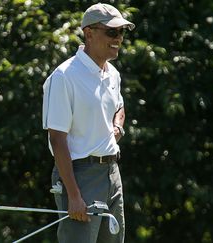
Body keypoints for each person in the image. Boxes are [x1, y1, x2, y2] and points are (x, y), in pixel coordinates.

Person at [42, 3, 134, 243]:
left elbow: (119, 107)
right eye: (112, 32)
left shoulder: (112, 73)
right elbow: (57, 138)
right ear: (89, 33)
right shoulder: (64, 77)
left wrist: (117, 127)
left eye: (121, 33)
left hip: (112, 174)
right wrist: (73, 195)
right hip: (80, 176)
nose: (118, 39)